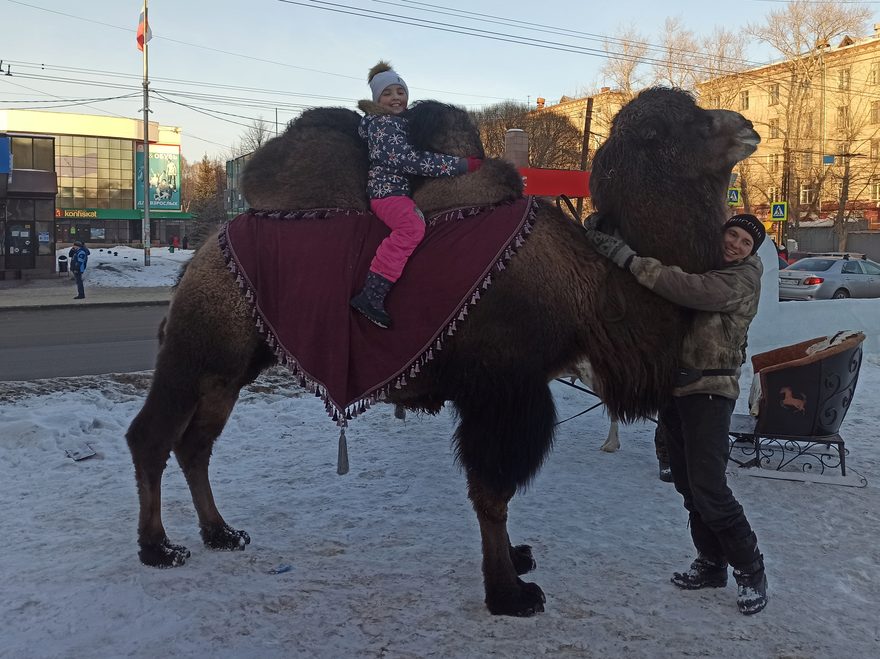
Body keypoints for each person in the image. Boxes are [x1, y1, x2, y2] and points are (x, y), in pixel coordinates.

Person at [582, 213, 769, 616]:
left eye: (745, 242)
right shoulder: (709, 262)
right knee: (687, 486)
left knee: (711, 490)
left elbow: (686, 288)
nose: (735, 244)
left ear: (752, 252)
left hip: (710, 392)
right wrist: (615, 232)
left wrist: (629, 259)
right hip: (676, 389)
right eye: (732, 234)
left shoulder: (741, 280)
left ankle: (751, 570)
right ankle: (711, 562)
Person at [351, 61, 482, 329]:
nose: (396, 98)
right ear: (377, 99)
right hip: (387, 193)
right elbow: (408, 160)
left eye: (400, 91)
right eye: (387, 93)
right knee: (411, 228)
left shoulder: (397, 123)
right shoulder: (383, 125)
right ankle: (372, 294)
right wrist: (459, 165)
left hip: (396, 191)